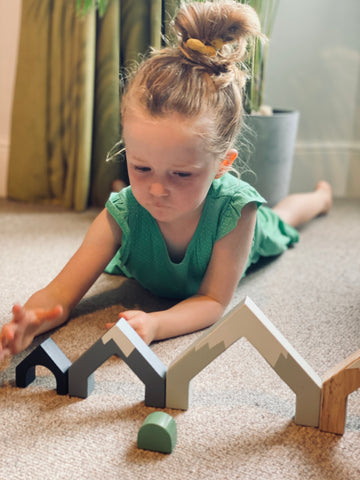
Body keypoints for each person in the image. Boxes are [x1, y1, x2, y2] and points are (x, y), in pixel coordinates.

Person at [0, 0, 332, 363]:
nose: (157, 189)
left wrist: (158, 324)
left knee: (282, 219)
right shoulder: (121, 214)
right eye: (141, 168)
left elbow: (213, 300)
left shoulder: (237, 212)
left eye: (182, 174)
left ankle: (319, 198)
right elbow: (59, 294)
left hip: (247, 235)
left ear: (222, 164)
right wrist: (31, 320)